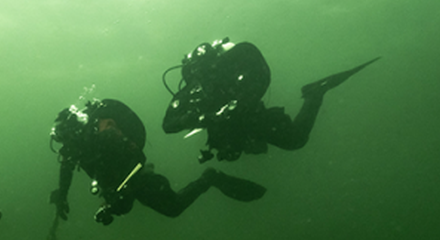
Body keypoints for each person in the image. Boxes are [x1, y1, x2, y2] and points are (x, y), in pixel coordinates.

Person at [49, 97, 266, 226]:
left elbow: (137, 156)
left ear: (73, 131)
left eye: (65, 139)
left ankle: (209, 178)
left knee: (173, 208)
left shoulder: (104, 131)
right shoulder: (75, 148)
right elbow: (66, 167)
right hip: (116, 179)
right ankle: (117, 199)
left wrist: (127, 186)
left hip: (135, 173)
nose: (66, 147)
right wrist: (62, 195)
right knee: (121, 208)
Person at [161, 38, 379, 163]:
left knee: (295, 140)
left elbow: (255, 66)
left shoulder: (229, 72)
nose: (205, 75)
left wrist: (239, 105)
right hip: (238, 129)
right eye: (198, 72)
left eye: (208, 68)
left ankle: (315, 93)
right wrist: (197, 117)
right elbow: (167, 125)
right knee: (293, 141)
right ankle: (314, 93)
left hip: (251, 119)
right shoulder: (192, 90)